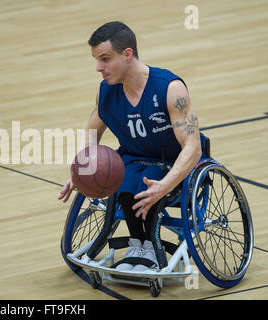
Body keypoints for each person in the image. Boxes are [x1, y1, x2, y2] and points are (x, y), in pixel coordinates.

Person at [58, 21, 203, 272]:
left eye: (104, 59)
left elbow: (193, 147)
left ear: (127, 55)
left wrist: (165, 185)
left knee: (144, 179)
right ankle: (139, 246)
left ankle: (150, 247)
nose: (98, 68)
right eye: (96, 60)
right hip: (132, 160)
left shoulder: (170, 88)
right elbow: (93, 131)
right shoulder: (107, 91)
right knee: (122, 177)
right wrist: (81, 169)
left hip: (172, 165)